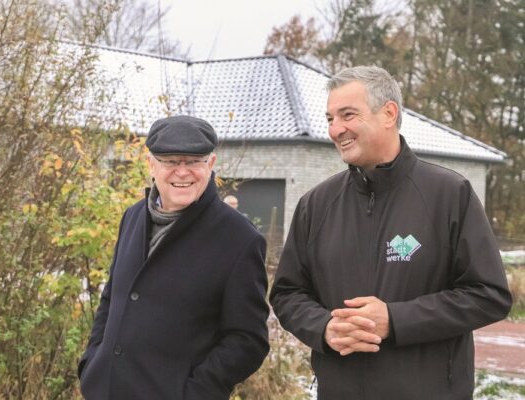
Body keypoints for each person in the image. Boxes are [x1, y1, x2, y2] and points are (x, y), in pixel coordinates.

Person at [269, 66, 512, 399]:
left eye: (348, 115)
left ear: (388, 113)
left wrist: (395, 320)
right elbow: (287, 293)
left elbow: (489, 295)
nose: (335, 129)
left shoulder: (449, 194)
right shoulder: (316, 204)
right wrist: (323, 328)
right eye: (329, 119)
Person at [79, 115, 269, 399]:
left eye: (194, 161)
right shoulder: (132, 217)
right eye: (170, 161)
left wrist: (195, 392)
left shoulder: (239, 239)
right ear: (151, 164)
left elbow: (248, 340)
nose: (183, 172)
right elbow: (112, 298)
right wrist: (92, 361)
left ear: (211, 164)